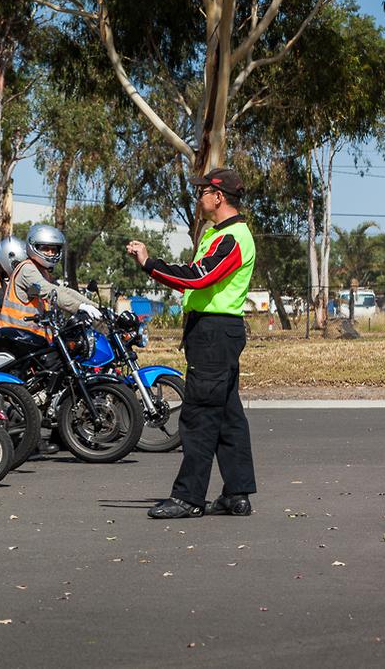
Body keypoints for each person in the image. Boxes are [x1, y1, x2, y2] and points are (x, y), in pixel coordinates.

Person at [126, 167, 256, 519]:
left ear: (219, 196)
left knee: (198, 416)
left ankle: (189, 498)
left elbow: (200, 277)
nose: (199, 198)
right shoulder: (217, 233)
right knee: (229, 416)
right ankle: (237, 493)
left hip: (215, 333)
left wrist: (149, 264)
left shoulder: (234, 237)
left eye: (203, 192)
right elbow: (197, 277)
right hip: (216, 331)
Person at [0, 223, 103, 455]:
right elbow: (50, 293)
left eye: (54, 249)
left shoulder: (41, 271)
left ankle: (54, 425)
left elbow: (63, 291)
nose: (51, 254)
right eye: (45, 249)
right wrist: (80, 306)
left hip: (32, 338)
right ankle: (29, 431)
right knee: (50, 372)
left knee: (58, 369)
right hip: (17, 337)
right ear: (33, 248)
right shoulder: (27, 269)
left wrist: (95, 307)